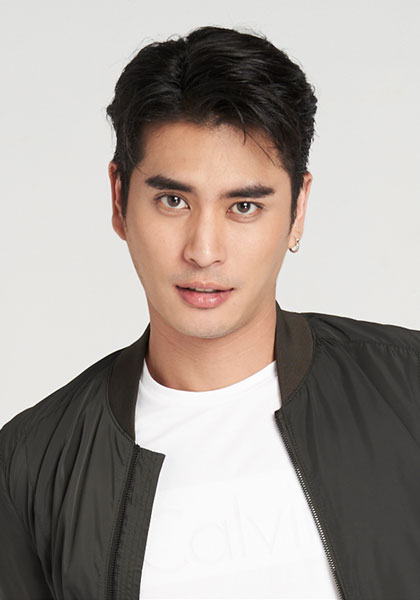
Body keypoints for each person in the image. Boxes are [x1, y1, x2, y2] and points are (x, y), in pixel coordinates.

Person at [0, 24, 419, 600]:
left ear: (298, 209)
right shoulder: (32, 463)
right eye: (173, 200)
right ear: (119, 199)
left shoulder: (407, 389)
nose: (203, 250)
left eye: (243, 206)